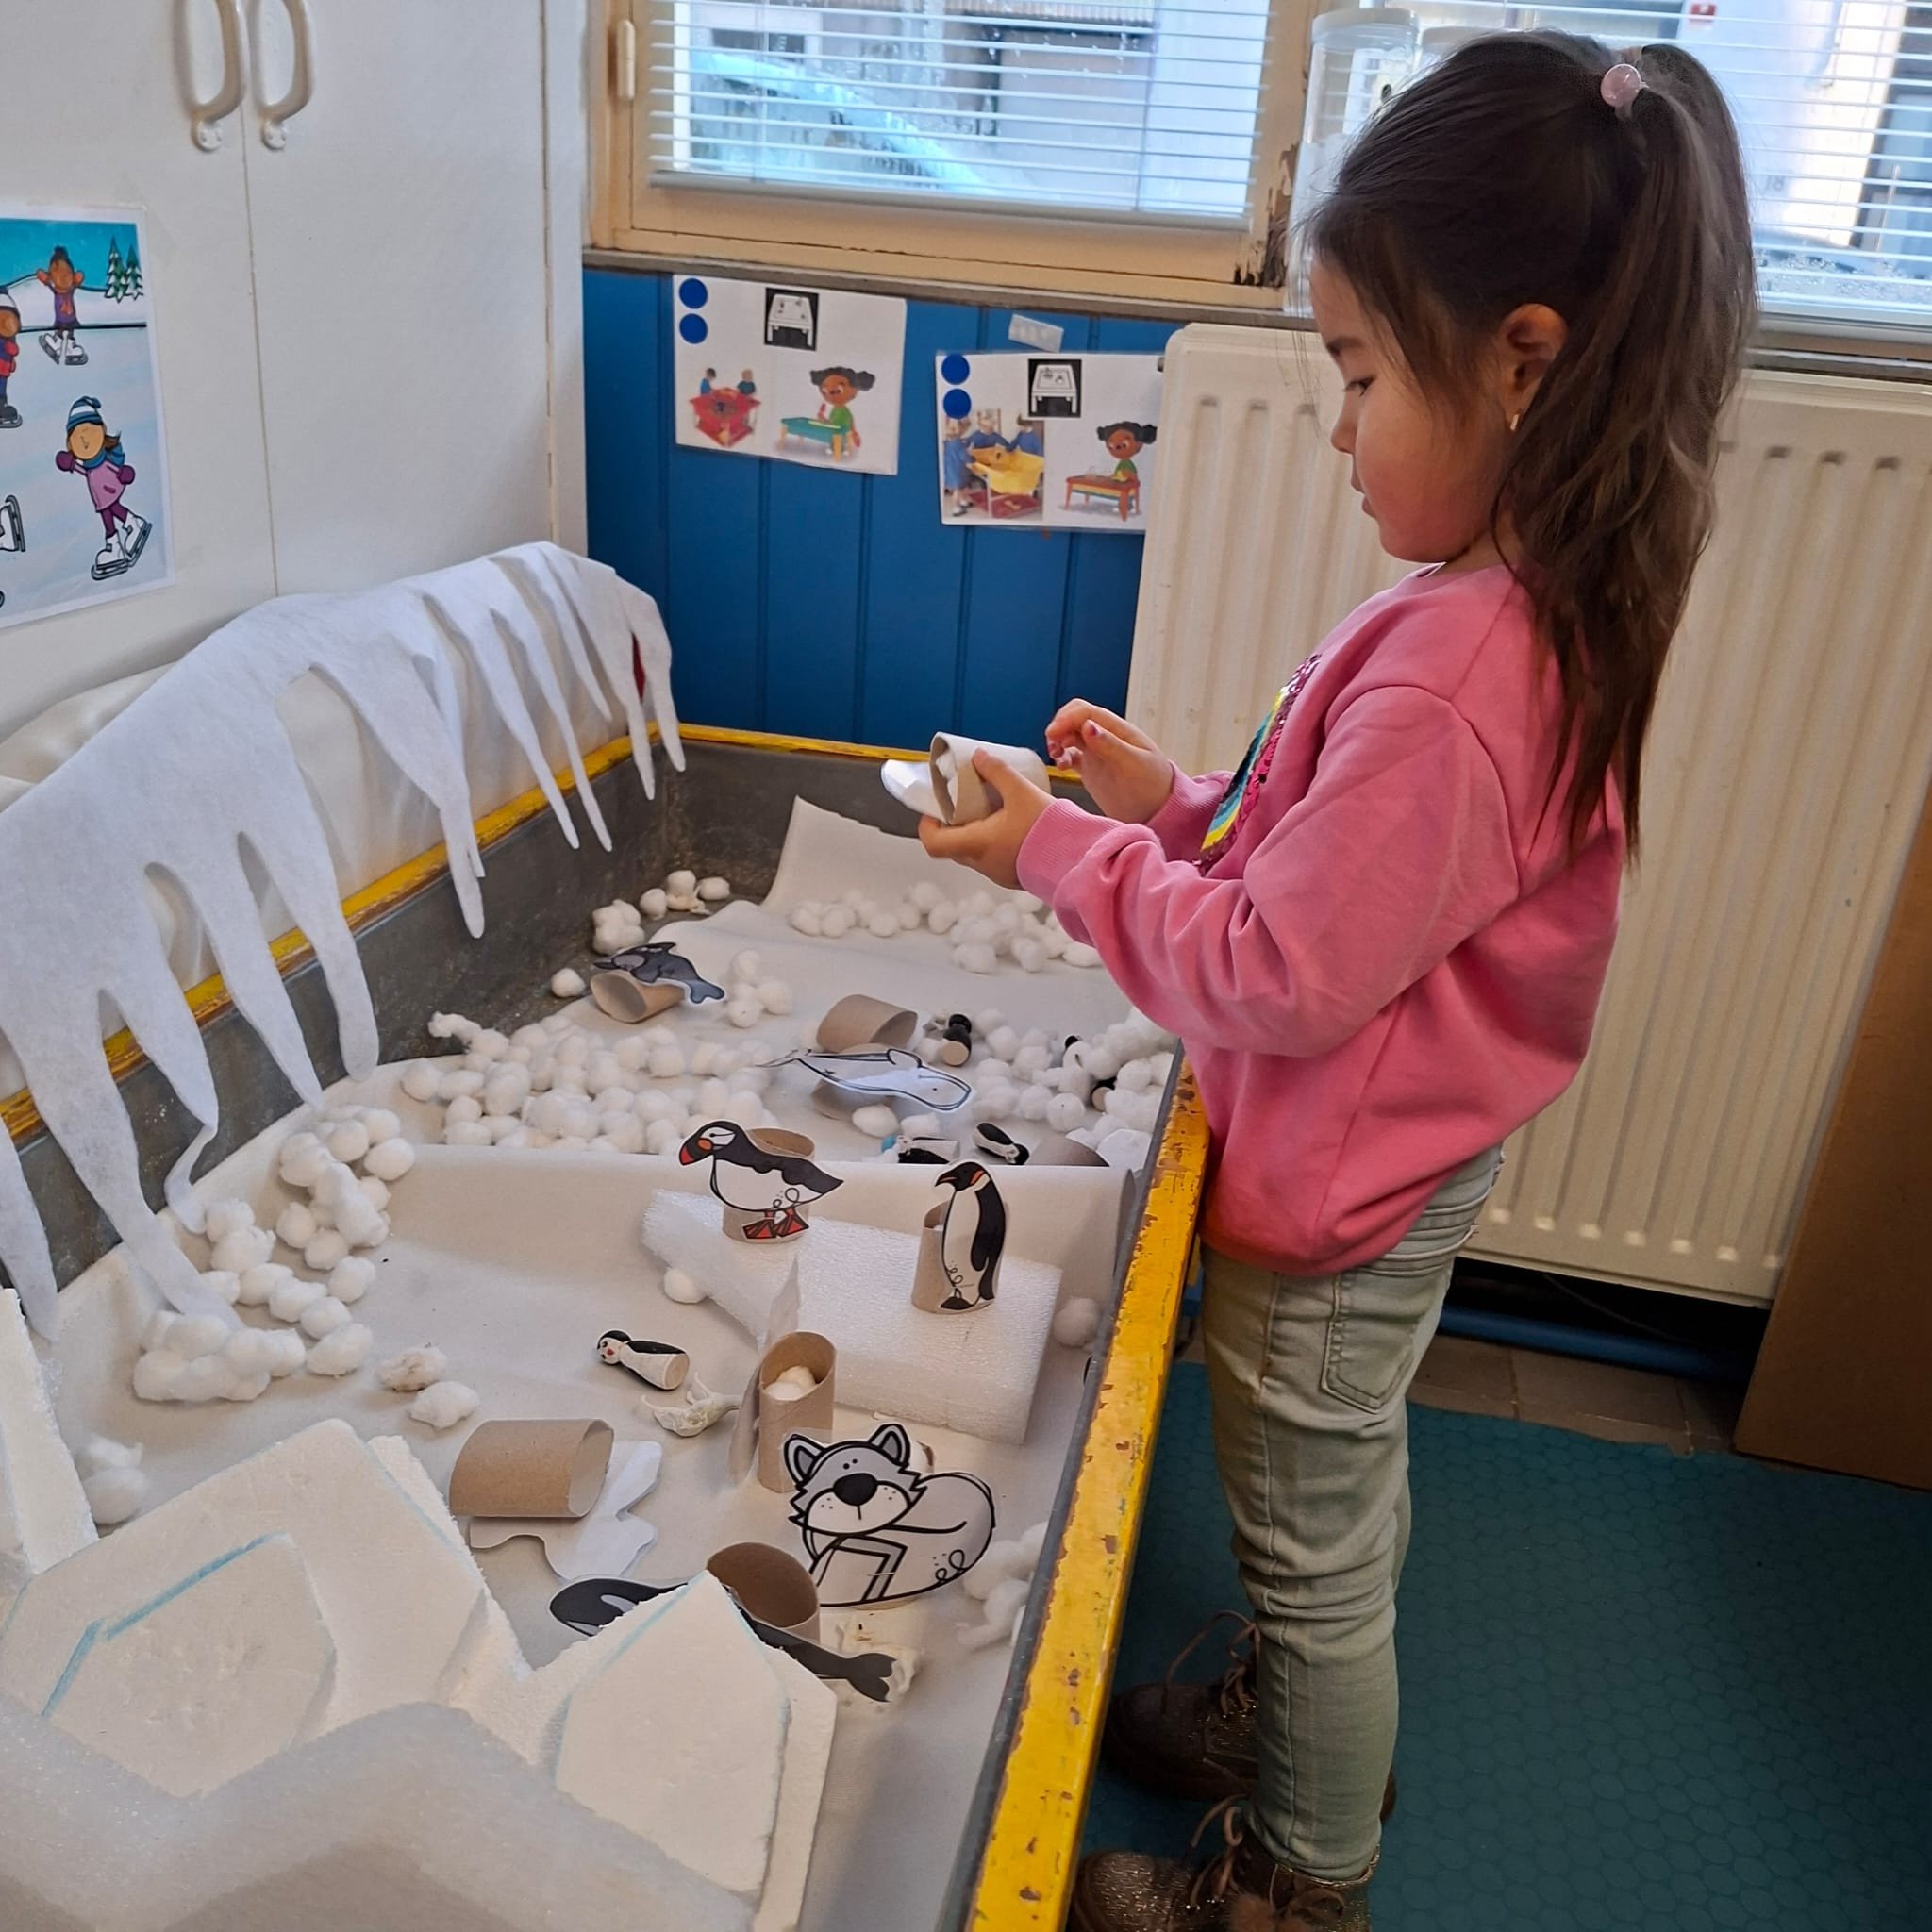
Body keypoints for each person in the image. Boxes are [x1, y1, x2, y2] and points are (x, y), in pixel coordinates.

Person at [920, 33, 1752, 1932]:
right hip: (1390, 1148)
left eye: (1360, 371)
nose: (1336, 422)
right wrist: (1171, 804)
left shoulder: (1464, 670)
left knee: (1310, 1534)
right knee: (1332, 1489)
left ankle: (1302, 1873)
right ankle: (1293, 1716)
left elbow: (1281, 966)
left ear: (1520, 360)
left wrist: (1058, 854)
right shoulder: (1493, 604)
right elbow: (1326, 864)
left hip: (1342, 1190)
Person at [55, 395, 152, 581]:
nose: (84, 440)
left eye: (88, 431)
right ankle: (116, 544)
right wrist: (68, 463)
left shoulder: (105, 459)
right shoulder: (87, 464)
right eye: (77, 436)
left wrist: (125, 473)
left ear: (102, 430)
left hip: (109, 485)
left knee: (112, 508)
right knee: (107, 512)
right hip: (99, 492)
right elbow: (82, 470)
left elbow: (117, 466)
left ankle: (132, 525)